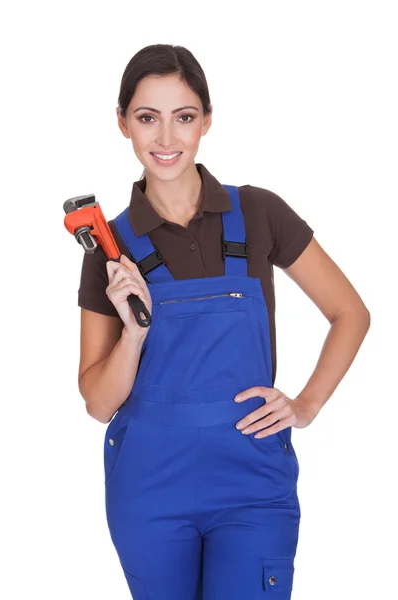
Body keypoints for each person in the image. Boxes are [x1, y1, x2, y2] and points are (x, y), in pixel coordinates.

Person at [77, 44, 370, 600]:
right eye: (147, 118)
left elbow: (350, 312)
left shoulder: (259, 213)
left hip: (251, 480)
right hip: (149, 484)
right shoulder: (109, 250)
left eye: (183, 117)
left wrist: (305, 405)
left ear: (206, 121)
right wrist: (134, 331)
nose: (166, 140)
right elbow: (97, 402)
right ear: (123, 124)